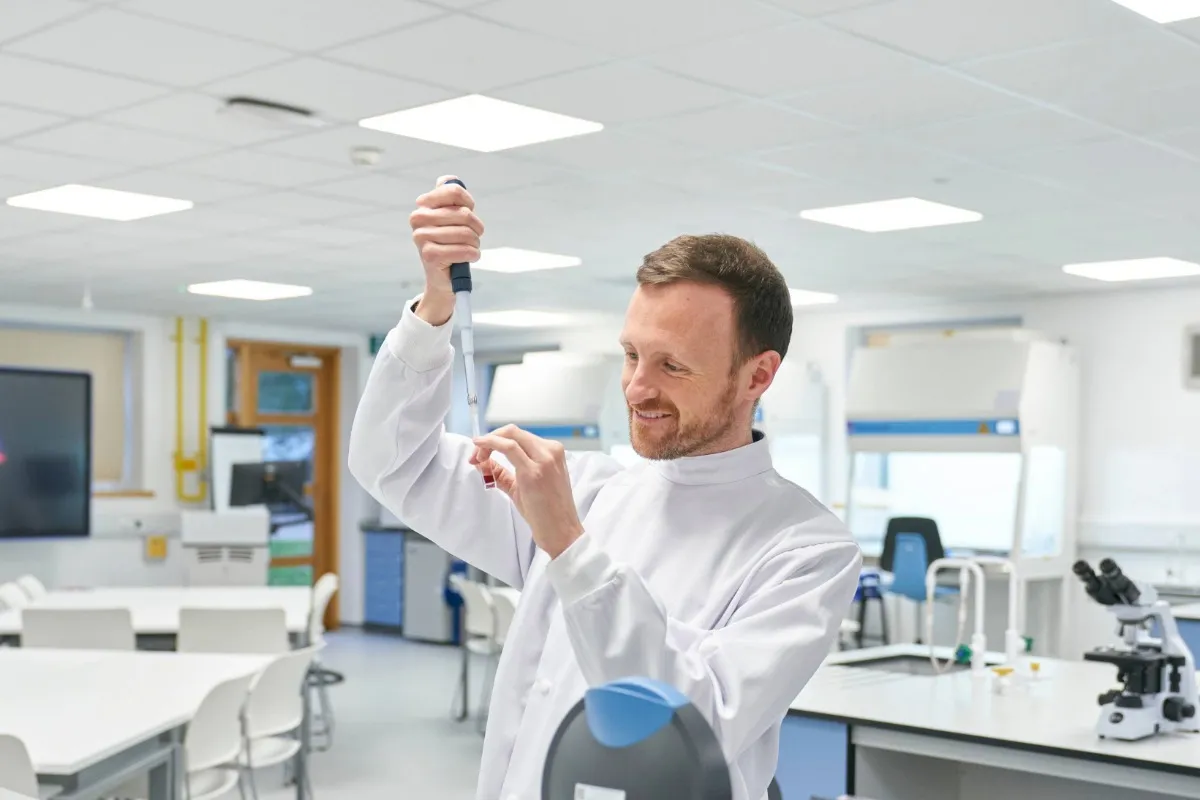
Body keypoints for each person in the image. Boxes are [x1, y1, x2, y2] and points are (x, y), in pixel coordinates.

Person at [349, 177, 862, 800]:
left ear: (758, 376)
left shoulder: (807, 550)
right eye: (631, 354)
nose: (637, 387)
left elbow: (690, 721)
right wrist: (436, 305)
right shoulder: (587, 489)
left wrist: (569, 546)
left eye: (672, 365)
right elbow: (392, 463)